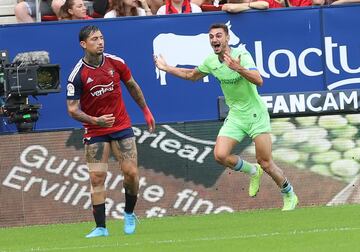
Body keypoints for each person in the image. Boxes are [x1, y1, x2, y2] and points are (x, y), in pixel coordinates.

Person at [154, 23, 298, 211]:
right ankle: (253, 171)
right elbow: (191, 75)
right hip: (236, 116)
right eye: (212, 37)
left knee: (267, 163)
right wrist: (167, 68)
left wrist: (238, 68)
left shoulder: (241, 56)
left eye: (219, 36)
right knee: (220, 155)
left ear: (227, 38)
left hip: (256, 115)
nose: (215, 39)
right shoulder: (210, 61)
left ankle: (289, 194)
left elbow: (259, 80)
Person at [66, 25, 155, 238]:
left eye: (101, 38)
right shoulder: (77, 75)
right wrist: (96, 120)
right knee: (97, 177)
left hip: (122, 126)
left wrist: (146, 111)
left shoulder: (116, 63)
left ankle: (129, 213)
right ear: (83, 44)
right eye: (95, 39)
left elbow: (132, 86)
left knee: (131, 173)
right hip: (95, 130)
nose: (100, 42)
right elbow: (72, 109)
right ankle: (101, 227)